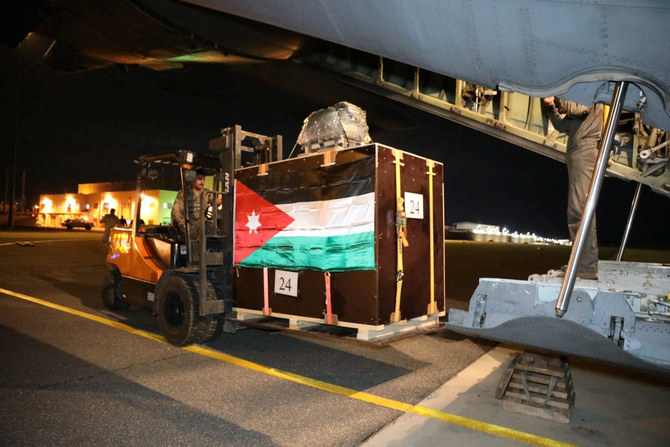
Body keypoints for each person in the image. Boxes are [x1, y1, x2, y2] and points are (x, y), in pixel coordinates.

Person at [541, 97, 604, 280]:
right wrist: (550, 106)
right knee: (576, 210)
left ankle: (586, 267)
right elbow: (561, 125)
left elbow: (577, 109)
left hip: (585, 153)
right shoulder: (581, 113)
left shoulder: (592, 98)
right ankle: (581, 263)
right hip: (577, 152)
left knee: (580, 210)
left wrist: (557, 95)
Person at [171, 170, 217, 239]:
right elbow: (176, 210)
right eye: (199, 179)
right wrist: (182, 222)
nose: (202, 182)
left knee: (213, 228)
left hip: (202, 224)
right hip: (189, 224)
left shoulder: (206, 193)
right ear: (193, 180)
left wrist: (219, 202)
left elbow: (214, 201)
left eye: (203, 179)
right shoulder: (184, 194)